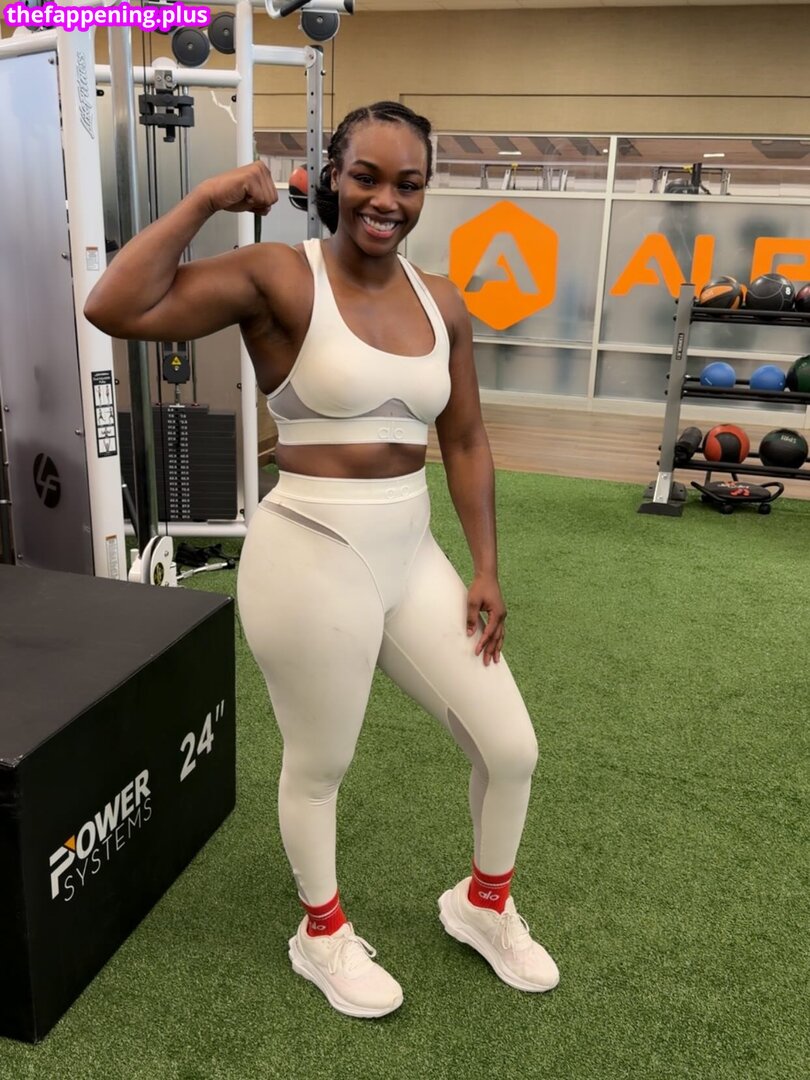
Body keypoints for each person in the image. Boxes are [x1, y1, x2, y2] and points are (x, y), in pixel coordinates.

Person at [84, 101, 559, 1018]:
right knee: (321, 762)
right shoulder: (278, 275)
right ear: (331, 176)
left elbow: (465, 440)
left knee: (511, 749)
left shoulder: (441, 300)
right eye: (368, 177)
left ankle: (482, 905)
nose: (387, 201)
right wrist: (208, 198)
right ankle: (321, 932)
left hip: (410, 551)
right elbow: (115, 304)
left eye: (409, 184)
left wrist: (486, 567)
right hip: (311, 552)